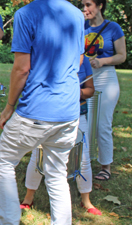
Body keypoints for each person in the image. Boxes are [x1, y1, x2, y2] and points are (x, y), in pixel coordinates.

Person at [0, 0, 84, 225]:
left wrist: (8, 108)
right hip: (69, 112)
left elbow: (21, 69)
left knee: (3, 163)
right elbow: (79, 60)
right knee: (57, 176)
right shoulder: (75, 13)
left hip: (36, 111)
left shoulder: (26, 14)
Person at [20, 56, 101, 215]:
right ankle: (28, 197)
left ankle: (86, 200)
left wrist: (78, 92)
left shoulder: (83, 59)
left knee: (83, 158)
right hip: (46, 114)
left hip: (77, 114)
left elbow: (90, 89)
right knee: (38, 155)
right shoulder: (46, 54)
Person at [82, 0, 126, 181]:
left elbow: (122, 56)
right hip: (85, 78)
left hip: (106, 77)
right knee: (85, 123)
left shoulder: (113, 28)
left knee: (102, 124)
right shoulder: (80, 27)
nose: (85, 10)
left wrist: (102, 61)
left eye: (89, 5)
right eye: (83, 6)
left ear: (99, 6)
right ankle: (84, 163)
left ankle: (105, 166)